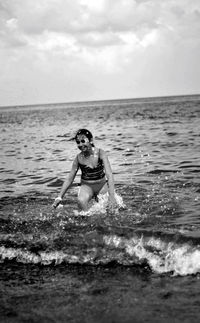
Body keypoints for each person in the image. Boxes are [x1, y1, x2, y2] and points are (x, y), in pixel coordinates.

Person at [52, 128, 117, 211]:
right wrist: (59, 197)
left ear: (91, 140)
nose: (80, 144)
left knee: (108, 209)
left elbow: (109, 174)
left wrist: (112, 196)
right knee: (81, 202)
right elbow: (69, 179)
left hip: (101, 185)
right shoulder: (78, 158)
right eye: (78, 142)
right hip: (86, 187)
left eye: (83, 141)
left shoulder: (101, 153)